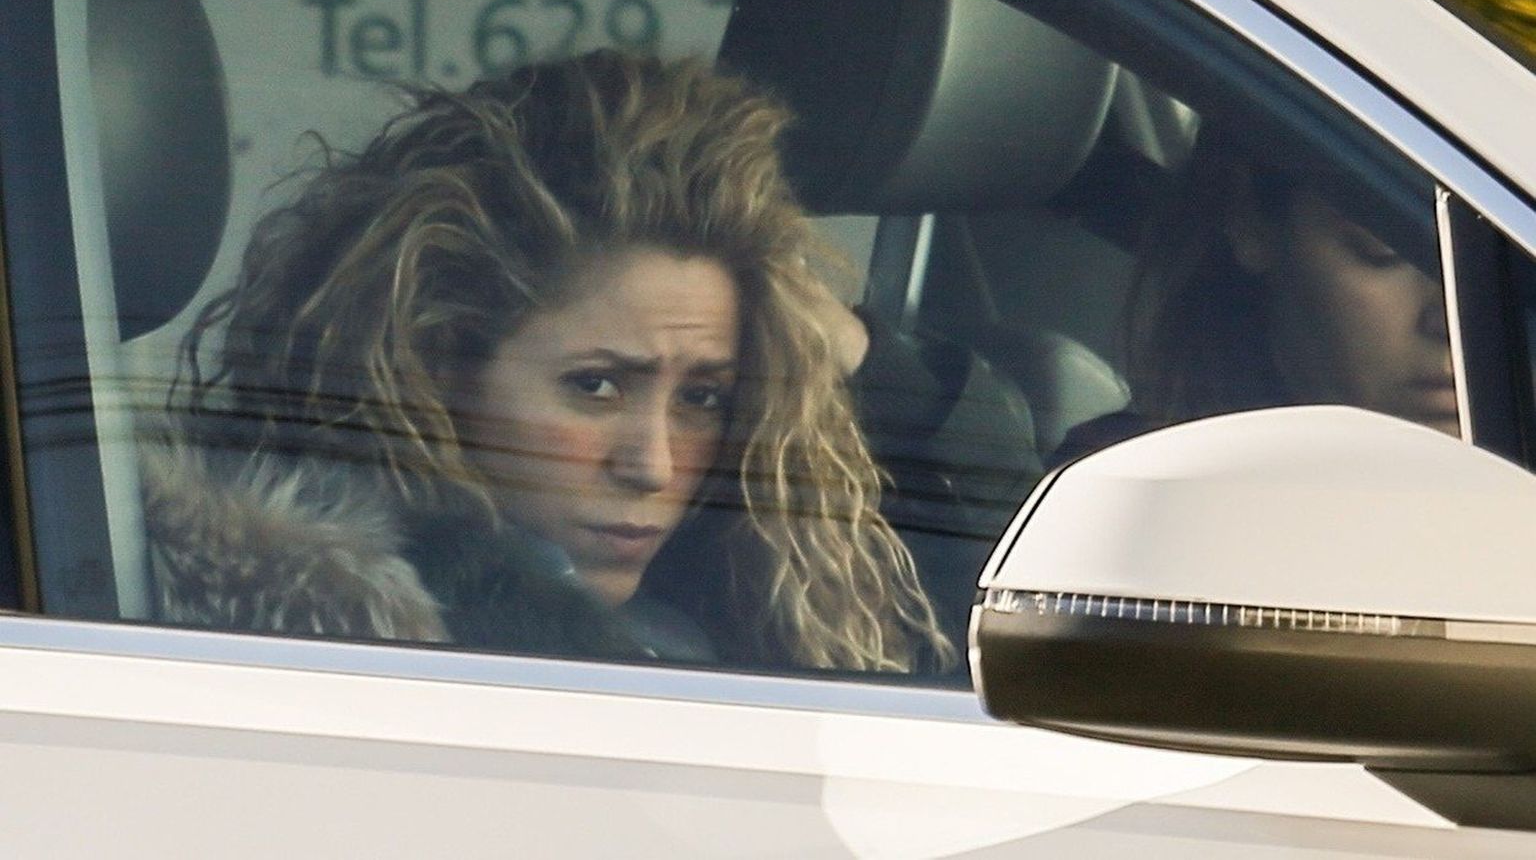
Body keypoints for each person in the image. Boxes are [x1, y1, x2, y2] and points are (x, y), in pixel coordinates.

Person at [144, 50, 961, 675]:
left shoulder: (736, 592)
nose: (652, 465)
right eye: (595, 387)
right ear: (437, 371)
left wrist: (853, 358)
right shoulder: (336, 647)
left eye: (703, 398)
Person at [1053, 122, 1455, 465]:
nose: (1452, 319)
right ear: (1247, 221)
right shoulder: (1127, 492)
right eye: (1383, 250)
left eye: (1487, 265)